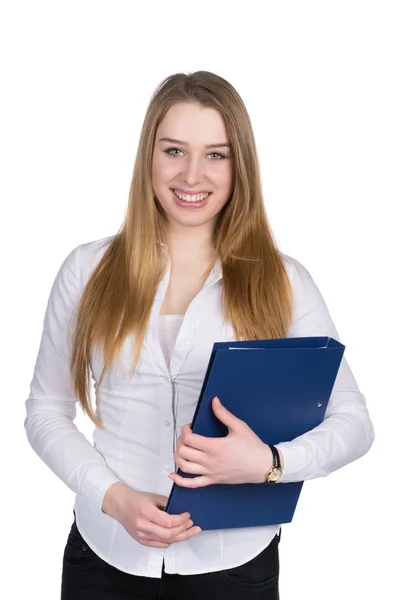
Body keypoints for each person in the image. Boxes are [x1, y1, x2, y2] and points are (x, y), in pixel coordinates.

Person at [24, 71, 375, 600]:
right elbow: (46, 410)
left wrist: (271, 464)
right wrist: (113, 497)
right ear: (149, 156)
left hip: (235, 564)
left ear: (241, 167)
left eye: (217, 154)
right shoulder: (87, 270)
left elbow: (353, 422)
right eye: (174, 150)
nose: (193, 174)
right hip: (104, 553)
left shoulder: (284, 280)